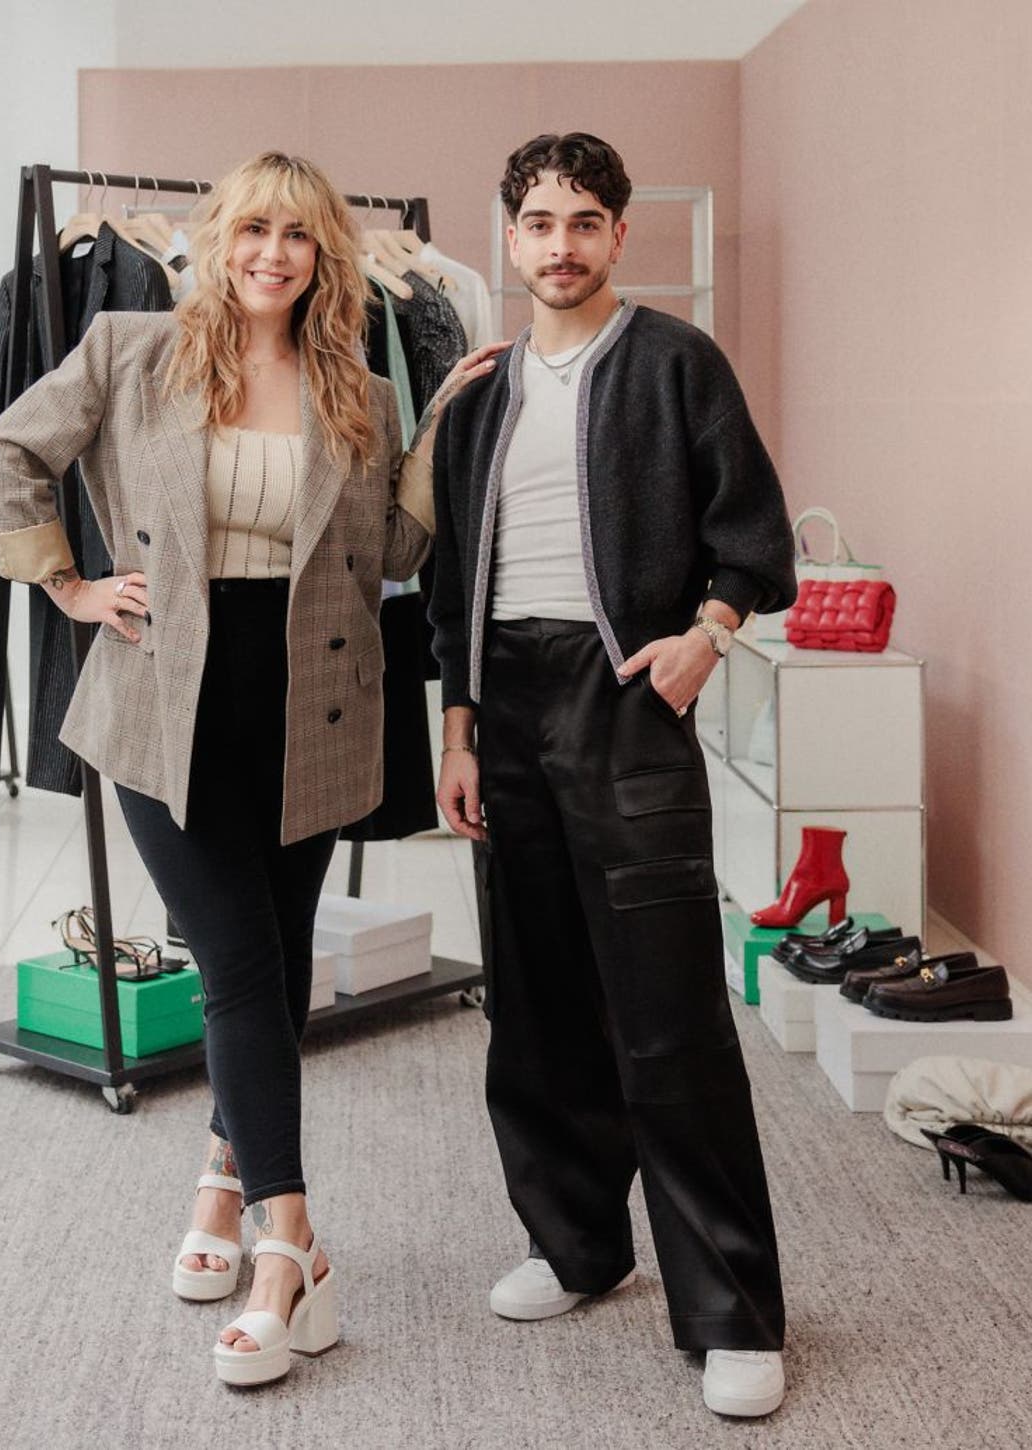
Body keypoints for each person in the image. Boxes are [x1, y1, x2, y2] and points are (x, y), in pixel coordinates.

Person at [0, 150, 500, 1388]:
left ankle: (220, 1181)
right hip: (167, 698)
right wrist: (69, 583)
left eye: (298, 237)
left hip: (313, 700)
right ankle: (291, 1244)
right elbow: (5, 456)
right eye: (253, 229)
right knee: (238, 963)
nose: (273, 252)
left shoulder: (358, 383)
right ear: (216, 240)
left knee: (269, 956)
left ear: (327, 258)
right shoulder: (128, 346)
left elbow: (396, 548)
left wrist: (441, 428)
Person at [427, 133, 797, 1419]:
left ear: (619, 235)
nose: (561, 244)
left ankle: (732, 1310)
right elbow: (440, 584)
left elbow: (753, 534)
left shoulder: (675, 363)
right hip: (505, 708)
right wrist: (458, 728)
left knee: (666, 1012)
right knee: (531, 1001)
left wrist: (706, 636)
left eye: (585, 220)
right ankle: (575, 1244)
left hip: (625, 692)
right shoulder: (475, 392)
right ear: (509, 235)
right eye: (538, 221)